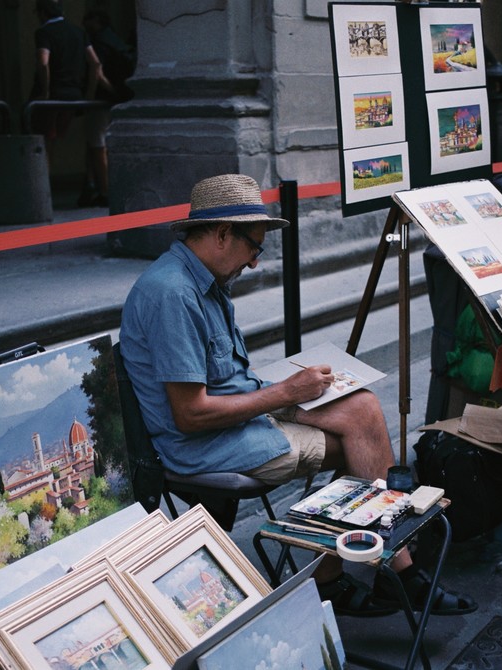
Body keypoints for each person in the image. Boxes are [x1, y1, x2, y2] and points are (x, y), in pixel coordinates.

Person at [120, 174, 478, 618]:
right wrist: (288, 392)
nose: (254, 262)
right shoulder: (173, 294)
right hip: (208, 443)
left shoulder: (203, 281)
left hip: (241, 410)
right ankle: (396, 574)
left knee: (363, 407)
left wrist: (288, 388)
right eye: (255, 246)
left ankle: (351, 574)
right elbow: (191, 415)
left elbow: (226, 379)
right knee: (361, 445)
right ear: (222, 234)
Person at [30, 0, 107, 165]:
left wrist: (45, 92)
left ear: (42, 13)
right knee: (54, 138)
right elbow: (95, 63)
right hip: (73, 96)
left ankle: (43, 186)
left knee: (43, 142)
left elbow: (43, 62)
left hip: (53, 96)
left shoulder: (43, 32)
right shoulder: (79, 32)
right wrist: (89, 96)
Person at [76, 9, 134, 209]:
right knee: (103, 145)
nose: (83, 23)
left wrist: (90, 96)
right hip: (116, 100)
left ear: (96, 20)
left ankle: (105, 191)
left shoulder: (97, 41)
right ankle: (99, 187)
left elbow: (97, 69)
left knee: (97, 146)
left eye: (87, 18)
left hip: (102, 100)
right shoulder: (114, 39)